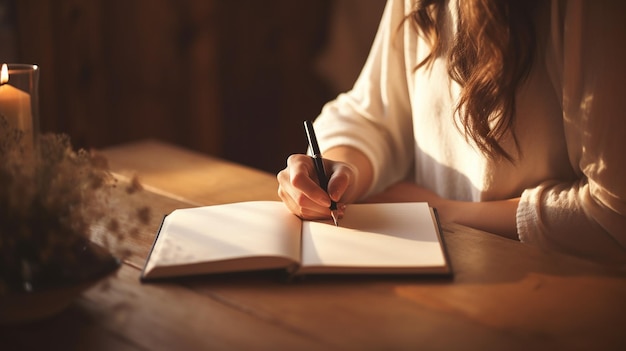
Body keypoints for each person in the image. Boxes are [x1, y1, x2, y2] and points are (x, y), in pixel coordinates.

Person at [277, 0, 626, 265]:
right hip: (441, 286)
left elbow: (614, 213)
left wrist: (444, 213)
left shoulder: (588, 12)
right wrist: (342, 165)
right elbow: (374, 112)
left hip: (555, 295)